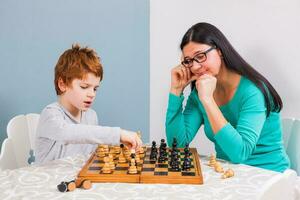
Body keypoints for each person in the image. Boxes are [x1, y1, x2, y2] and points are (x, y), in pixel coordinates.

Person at [165, 22, 290, 172]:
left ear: (220, 51)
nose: (195, 66)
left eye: (200, 56)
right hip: (229, 175)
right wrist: (176, 90)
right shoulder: (200, 93)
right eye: (188, 61)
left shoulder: (253, 92)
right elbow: (177, 145)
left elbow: (240, 153)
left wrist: (208, 100)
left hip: (268, 176)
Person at [35, 44, 142, 164]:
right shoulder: (50, 115)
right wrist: (119, 134)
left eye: (95, 89)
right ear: (62, 84)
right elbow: (69, 133)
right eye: (84, 87)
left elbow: (89, 157)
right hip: (48, 180)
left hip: (78, 180)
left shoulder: (91, 116)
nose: (92, 94)